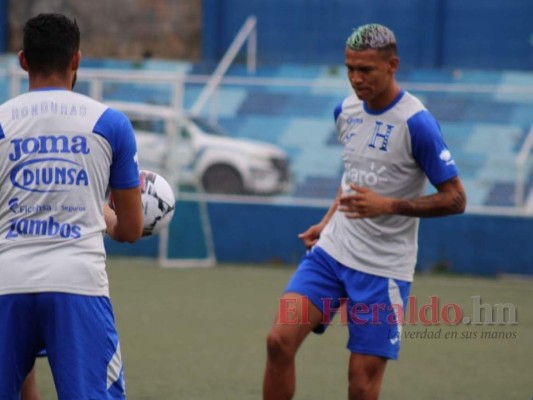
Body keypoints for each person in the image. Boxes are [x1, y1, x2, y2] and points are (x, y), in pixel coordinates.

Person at [263, 23, 466, 400]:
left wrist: (389, 206)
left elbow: (456, 199)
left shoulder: (417, 124)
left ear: (393, 65)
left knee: (360, 385)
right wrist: (326, 223)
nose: (356, 78)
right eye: (350, 69)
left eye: (366, 70)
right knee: (278, 341)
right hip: (331, 255)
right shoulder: (345, 110)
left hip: (382, 272)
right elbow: (354, 174)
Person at [0, 13, 143, 399]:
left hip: (7, 282)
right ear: (76, 59)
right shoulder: (110, 123)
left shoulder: (0, 122)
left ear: (23, 60)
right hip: (78, 285)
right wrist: (106, 215)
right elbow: (130, 229)